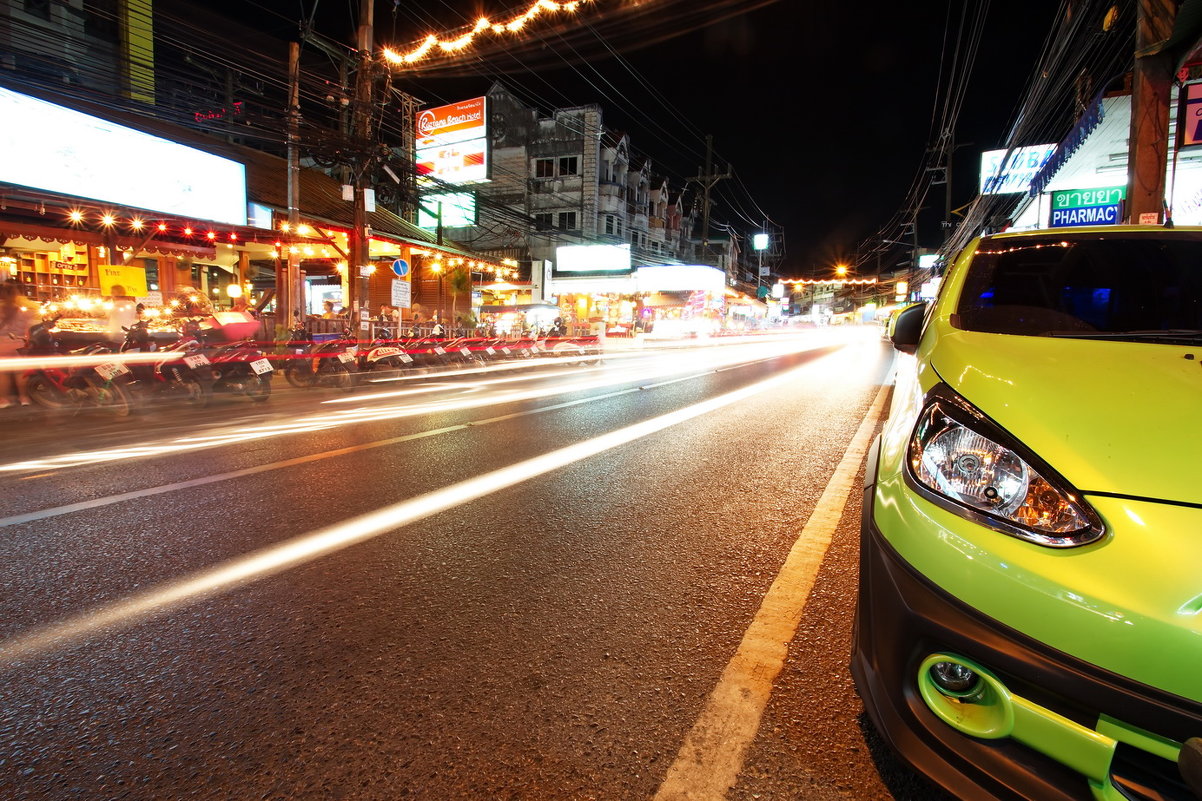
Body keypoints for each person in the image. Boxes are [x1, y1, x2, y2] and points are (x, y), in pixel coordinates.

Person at [0, 282, 34, 407]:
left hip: (2, 345)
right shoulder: (22, 311)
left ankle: (3, 400)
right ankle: (24, 398)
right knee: (20, 373)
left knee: (3, 374)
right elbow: (28, 329)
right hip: (18, 344)